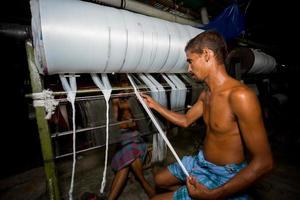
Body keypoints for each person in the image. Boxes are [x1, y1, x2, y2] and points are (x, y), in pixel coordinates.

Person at [141, 30, 273, 200]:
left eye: (190, 61)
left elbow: (264, 162)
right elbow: (186, 120)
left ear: (206, 54)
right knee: (159, 179)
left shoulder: (240, 96)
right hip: (201, 161)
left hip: (224, 174)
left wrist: (212, 194)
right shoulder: (206, 94)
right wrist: (155, 105)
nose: (189, 69)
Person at [107, 83, 156, 200]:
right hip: (122, 138)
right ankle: (144, 183)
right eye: (123, 87)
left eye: (128, 87)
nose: (125, 90)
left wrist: (131, 123)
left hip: (137, 137)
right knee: (129, 152)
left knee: (129, 153)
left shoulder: (135, 101)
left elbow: (142, 123)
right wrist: (116, 105)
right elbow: (114, 125)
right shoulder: (116, 102)